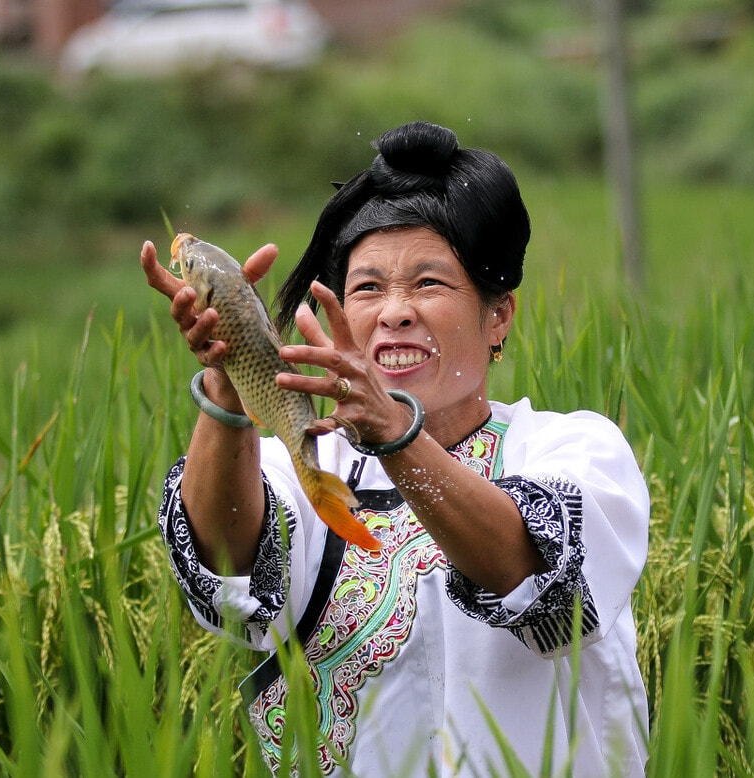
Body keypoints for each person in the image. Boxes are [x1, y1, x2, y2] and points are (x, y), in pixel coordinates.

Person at [140, 120, 649, 777]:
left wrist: (393, 434)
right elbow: (225, 564)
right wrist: (229, 373)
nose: (395, 311)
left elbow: (528, 570)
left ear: (499, 316)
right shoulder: (298, 469)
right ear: (333, 318)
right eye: (368, 289)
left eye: (429, 285)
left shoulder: (572, 453)